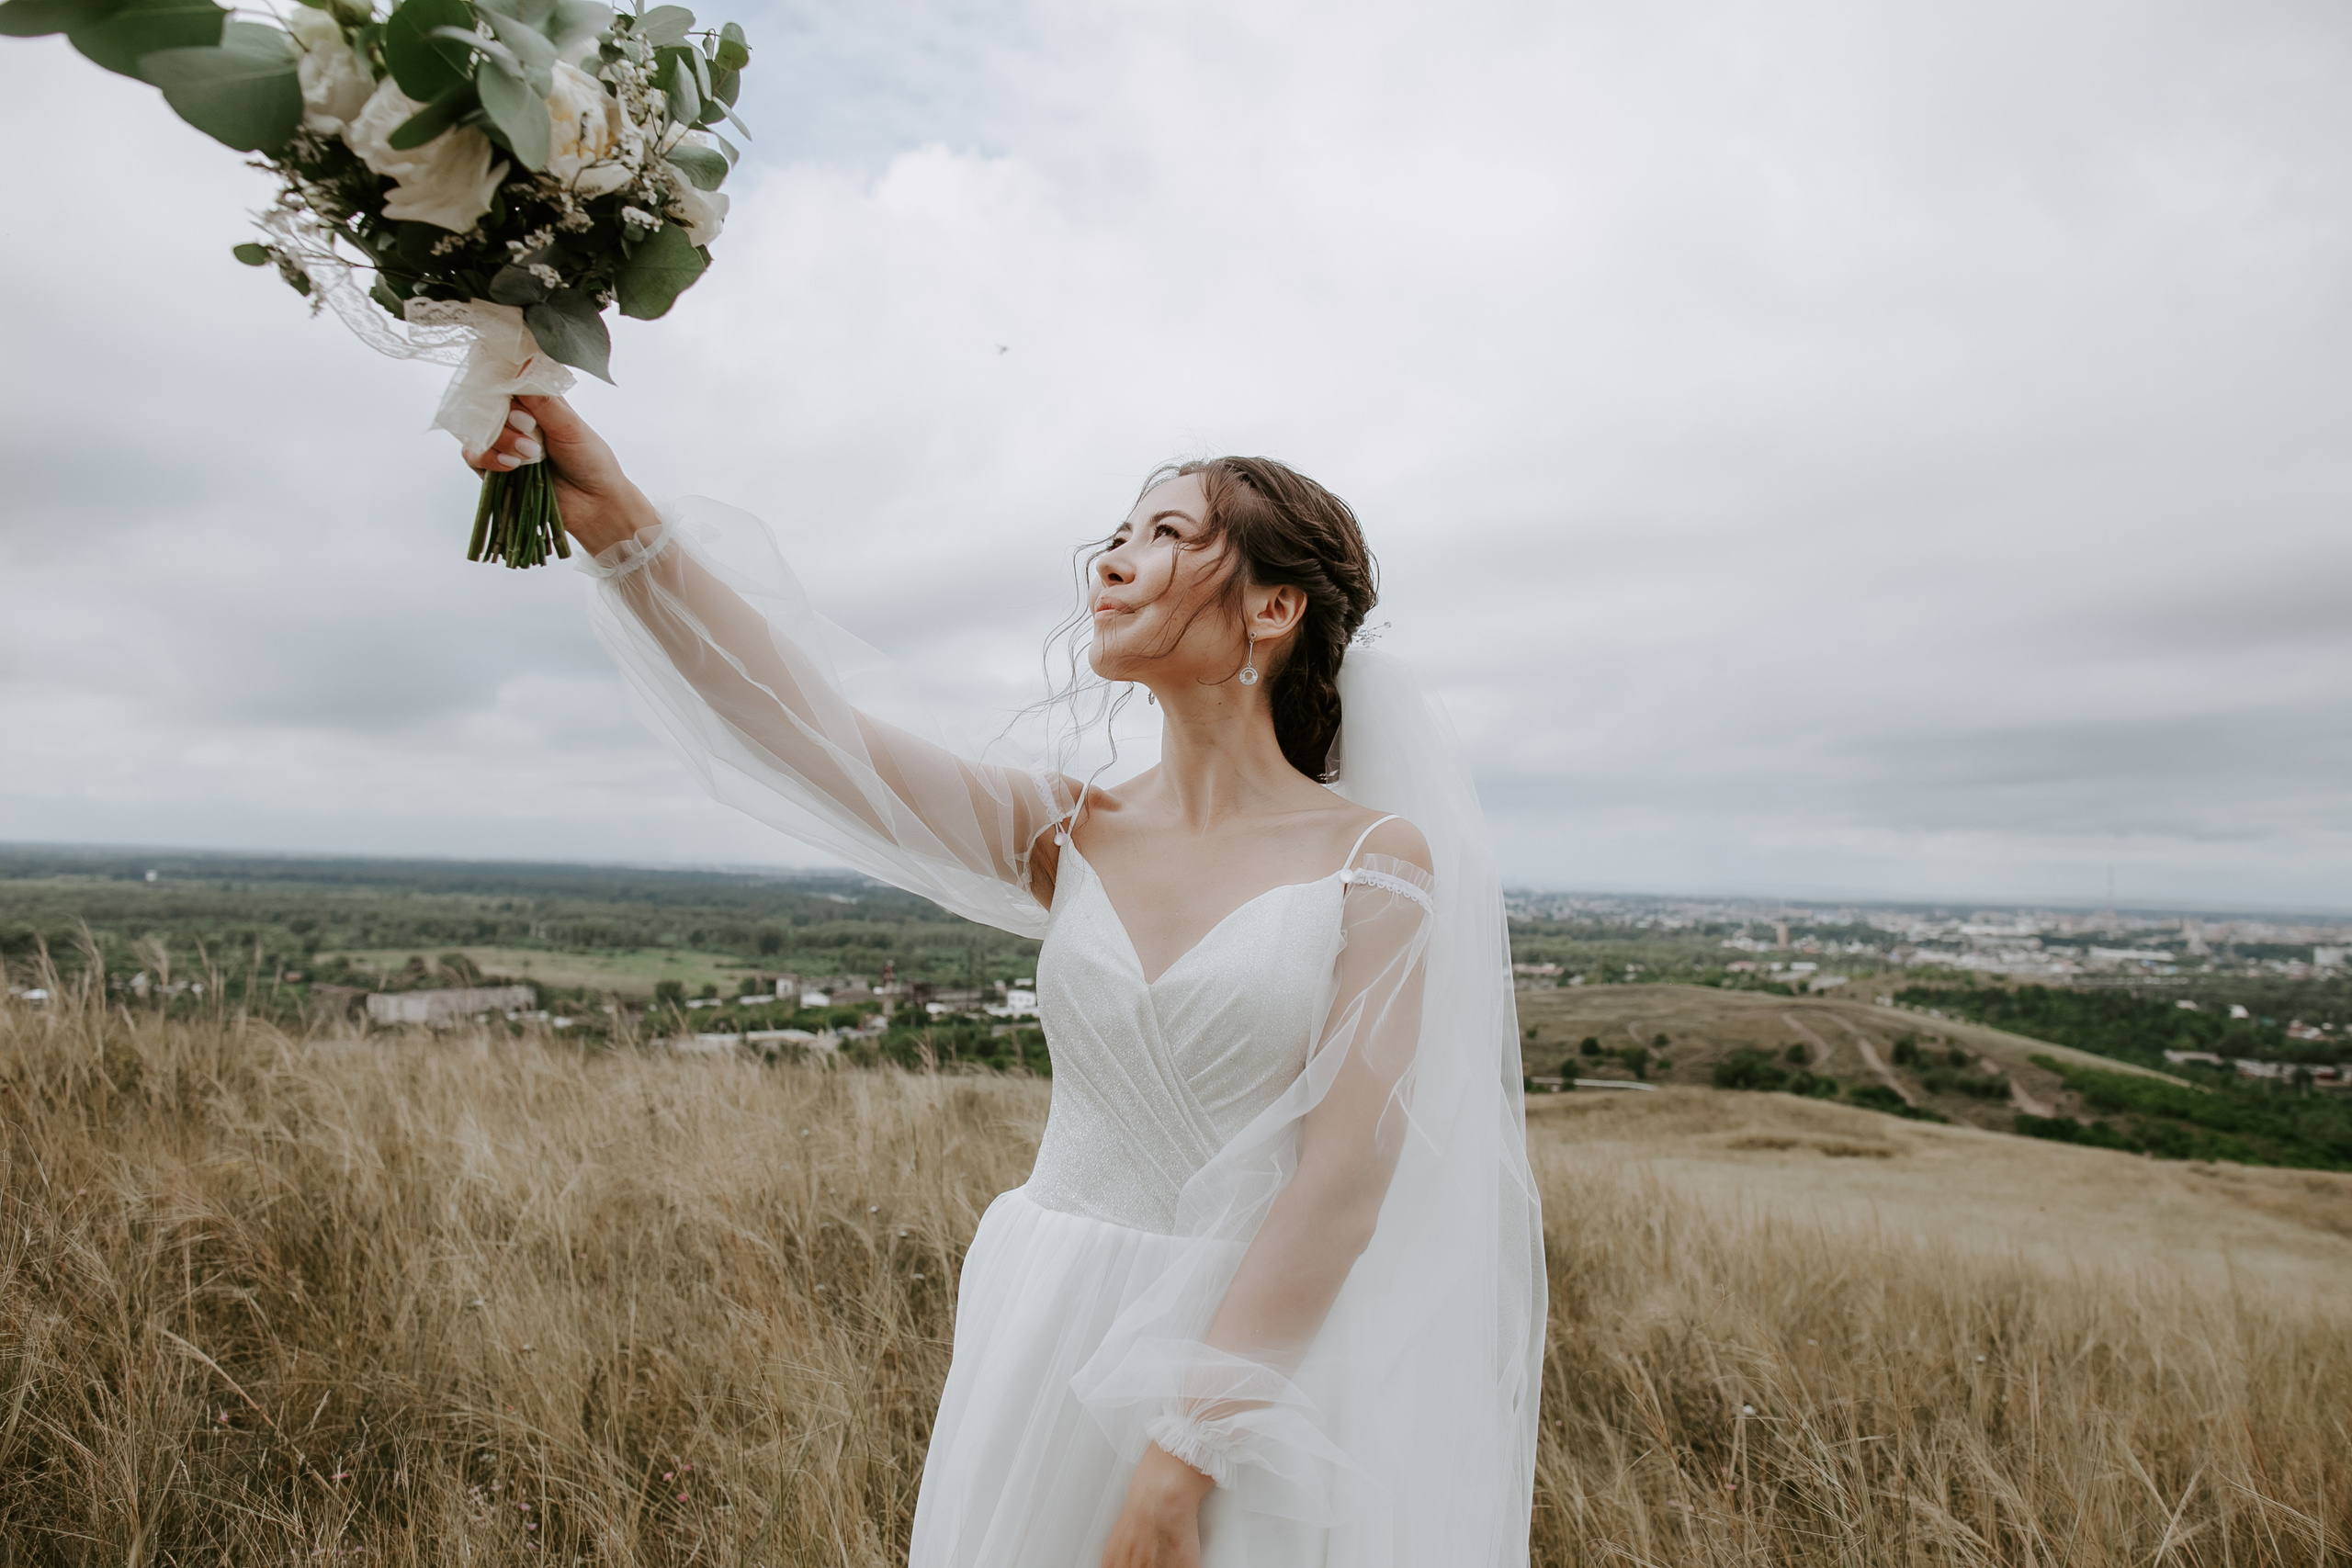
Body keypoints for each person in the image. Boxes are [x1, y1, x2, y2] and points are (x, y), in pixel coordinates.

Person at [469, 398, 1544, 1567]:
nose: (1113, 562)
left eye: (1168, 535)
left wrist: (1185, 1453)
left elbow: (1341, 1184)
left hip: (1246, 1365)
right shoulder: (1069, 830)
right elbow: (806, 729)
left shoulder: (1373, 861)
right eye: (1117, 534)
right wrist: (615, 517)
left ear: (1273, 608)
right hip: (1047, 1327)